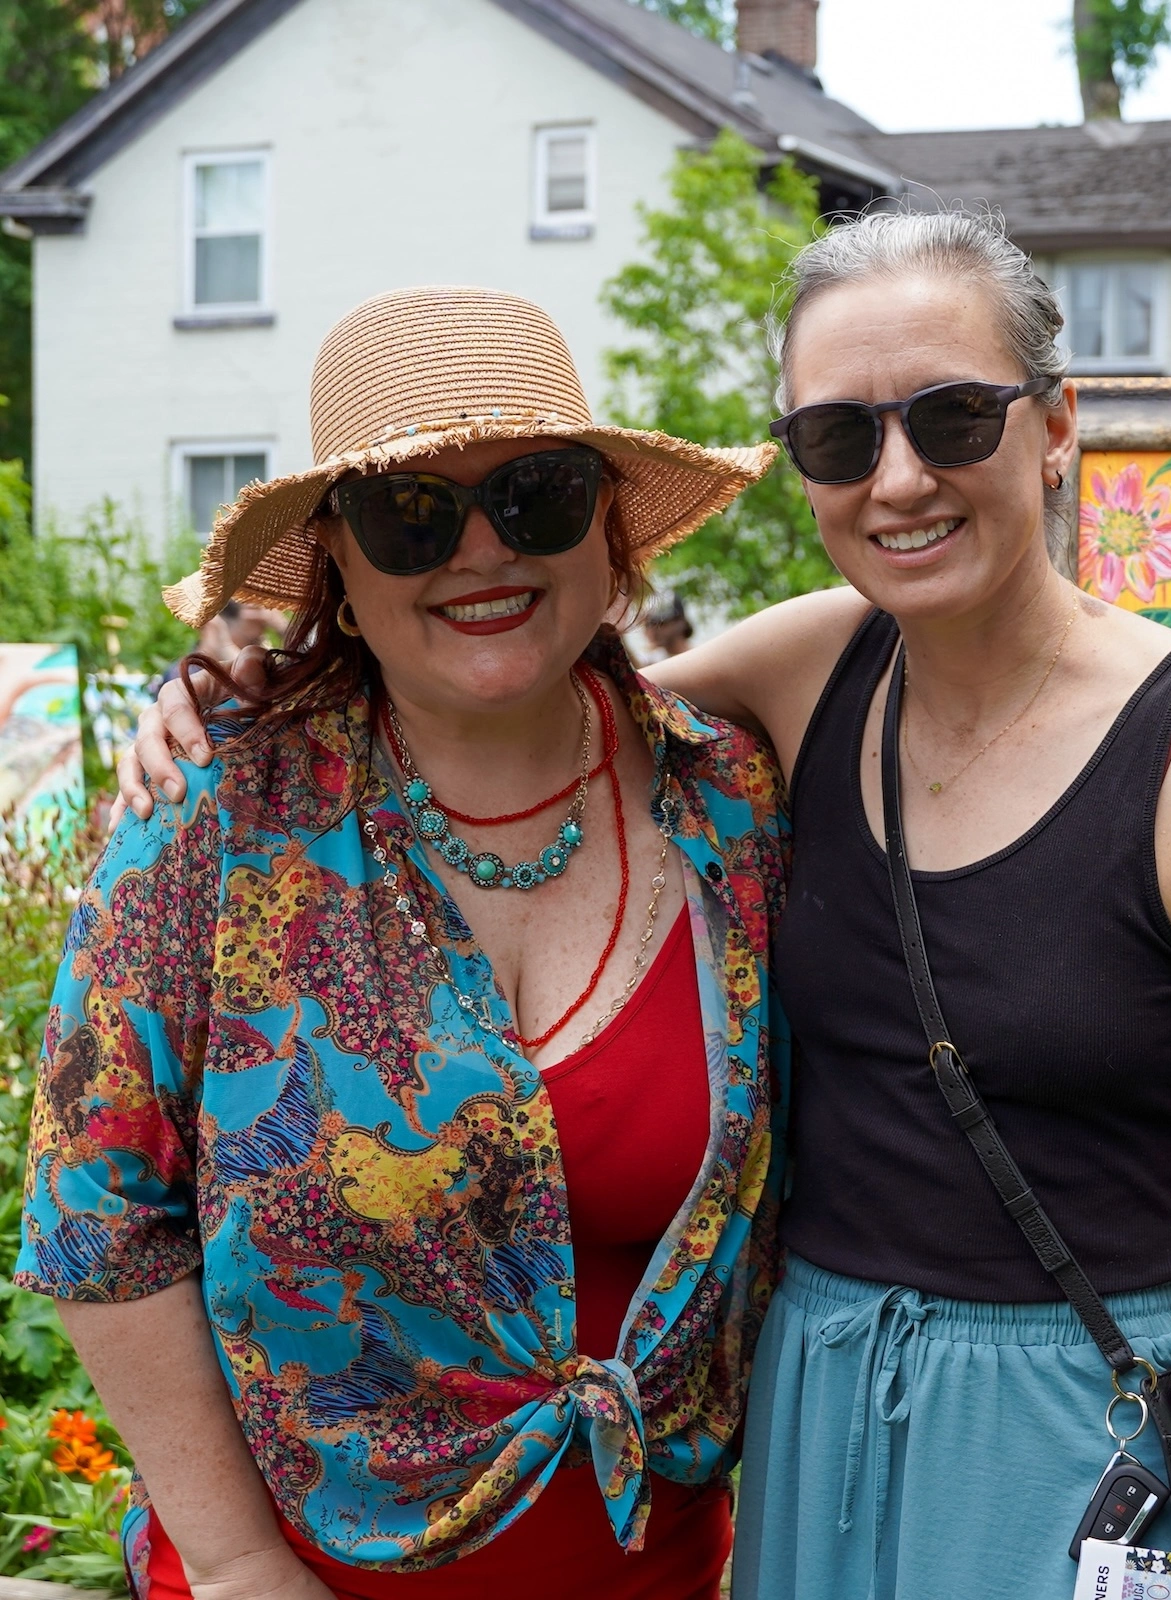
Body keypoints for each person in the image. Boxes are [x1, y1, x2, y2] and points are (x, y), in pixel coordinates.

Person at [119, 212, 1171, 1600]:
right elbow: (506, 685)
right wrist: (220, 705)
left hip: (1079, 1418)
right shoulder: (803, 675)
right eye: (839, 438)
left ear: (1057, 424)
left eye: (953, 419)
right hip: (814, 1405)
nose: (899, 480)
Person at [21, 285, 788, 1600]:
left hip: (659, 1575)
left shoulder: (735, 802)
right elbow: (98, 1220)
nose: (480, 551)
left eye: (536, 495)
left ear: (608, 529)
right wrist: (240, 1564)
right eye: (411, 513)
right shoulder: (209, 818)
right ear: (339, 567)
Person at [642, 592, 695, 660]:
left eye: (660, 623)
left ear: (680, 622)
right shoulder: (650, 660)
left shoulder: (700, 658)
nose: (652, 630)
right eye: (648, 624)